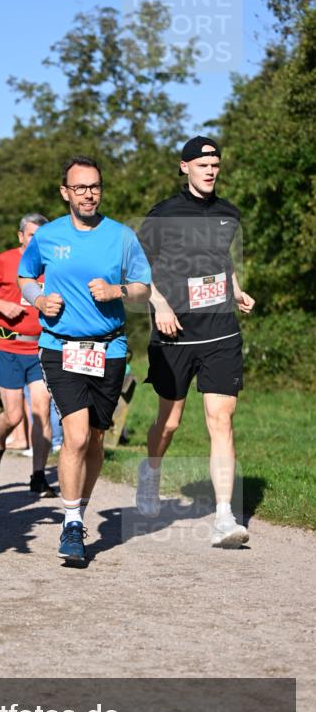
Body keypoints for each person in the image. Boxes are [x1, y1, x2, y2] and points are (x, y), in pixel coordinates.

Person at [18, 156, 151, 565]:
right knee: (75, 436)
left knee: (94, 438)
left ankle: (79, 507)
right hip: (60, 346)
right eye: (80, 188)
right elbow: (26, 277)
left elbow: (144, 288)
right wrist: (38, 299)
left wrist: (117, 292)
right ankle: (72, 521)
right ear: (65, 193)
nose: (88, 194)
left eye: (94, 187)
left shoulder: (122, 236)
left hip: (108, 349)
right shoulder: (49, 236)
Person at [136, 136, 254, 548]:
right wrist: (161, 305)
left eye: (216, 165)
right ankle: (150, 473)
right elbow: (136, 267)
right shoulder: (163, 214)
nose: (210, 170)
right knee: (168, 422)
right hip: (175, 333)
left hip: (220, 329)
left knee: (221, 420)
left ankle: (225, 516)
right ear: (184, 167)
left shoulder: (228, 213)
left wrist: (235, 289)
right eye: (202, 164)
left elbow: (222, 259)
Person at [0, 213, 57, 498]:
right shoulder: (5, 260)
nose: (37, 241)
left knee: (42, 410)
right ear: (21, 236)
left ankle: (38, 476)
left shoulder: (53, 265)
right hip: (8, 347)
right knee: (13, 416)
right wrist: (0, 304)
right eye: (32, 235)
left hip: (40, 348)